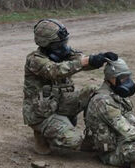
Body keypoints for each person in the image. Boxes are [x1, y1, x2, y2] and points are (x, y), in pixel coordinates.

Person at [22, 19, 118, 155]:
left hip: (61, 102)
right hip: (42, 114)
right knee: (73, 140)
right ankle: (41, 133)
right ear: (45, 44)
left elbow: (81, 60)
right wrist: (85, 61)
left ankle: (94, 135)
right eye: (59, 45)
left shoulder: (62, 53)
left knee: (94, 92)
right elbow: (55, 70)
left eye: (64, 43)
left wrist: (98, 59)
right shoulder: (35, 60)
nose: (64, 47)